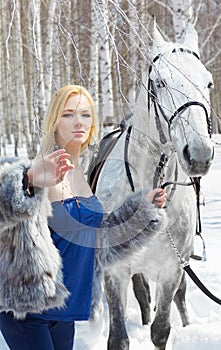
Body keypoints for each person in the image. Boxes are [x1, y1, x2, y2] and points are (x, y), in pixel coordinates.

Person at [0, 85, 167, 350]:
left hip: (65, 308)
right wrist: (28, 180)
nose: (79, 121)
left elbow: (99, 243)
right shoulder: (41, 167)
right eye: (68, 114)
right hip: (28, 312)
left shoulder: (79, 172)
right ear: (54, 121)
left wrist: (141, 210)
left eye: (85, 114)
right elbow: (6, 208)